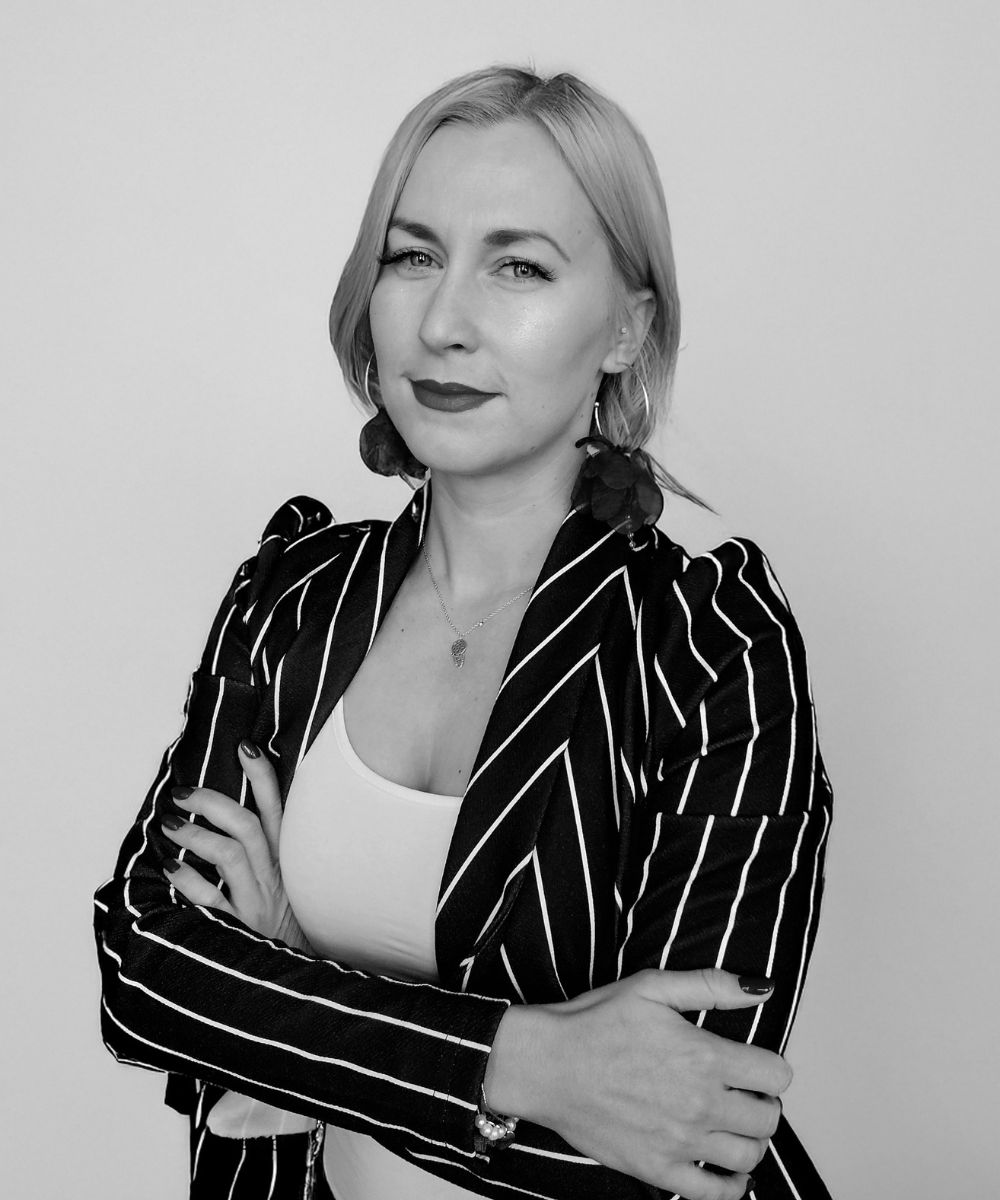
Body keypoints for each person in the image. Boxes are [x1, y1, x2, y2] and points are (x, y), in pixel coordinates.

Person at [93, 66, 833, 1200]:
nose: (443, 323)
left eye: (518, 266)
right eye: (413, 257)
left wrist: (286, 997)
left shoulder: (707, 643)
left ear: (626, 328)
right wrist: (520, 1061)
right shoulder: (294, 595)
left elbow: (689, 1127)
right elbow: (146, 972)